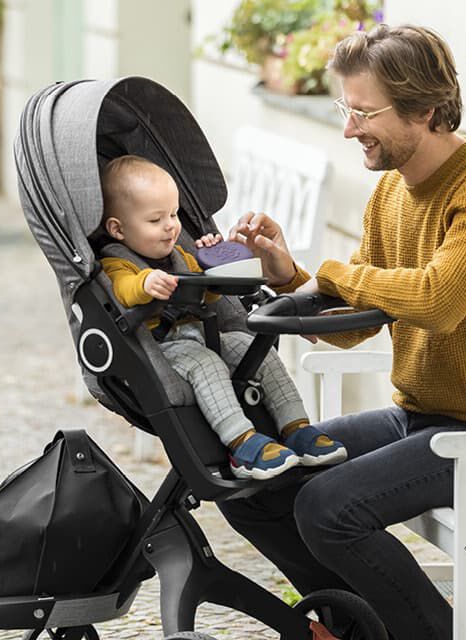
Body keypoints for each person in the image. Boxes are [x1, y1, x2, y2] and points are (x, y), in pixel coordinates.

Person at [216, 24, 466, 640]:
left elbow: (436, 302)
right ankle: (373, 638)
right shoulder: (392, 193)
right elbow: (357, 322)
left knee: (327, 507)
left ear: (426, 110)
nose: (349, 129)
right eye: (347, 110)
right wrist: (293, 276)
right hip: (425, 416)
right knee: (253, 483)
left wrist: (338, 273)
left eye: (364, 113)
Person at [97, 155, 346, 479]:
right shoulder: (117, 263)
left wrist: (211, 266)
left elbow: (209, 296)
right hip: (161, 347)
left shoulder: (180, 255)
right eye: (156, 220)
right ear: (117, 228)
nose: (171, 226)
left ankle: (296, 427)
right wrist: (144, 284)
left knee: (249, 344)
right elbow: (124, 292)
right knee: (206, 363)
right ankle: (242, 443)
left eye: (174, 214)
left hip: (202, 334)